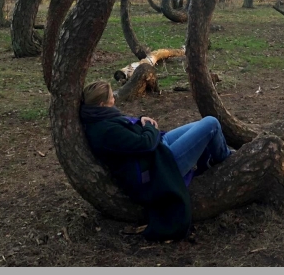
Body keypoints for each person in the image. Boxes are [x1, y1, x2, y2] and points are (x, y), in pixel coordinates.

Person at [80, 79, 233, 240]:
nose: (114, 100)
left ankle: (211, 161)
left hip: (159, 148)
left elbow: (127, 132)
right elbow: (145, 144)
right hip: (161, 166)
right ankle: (226, 159)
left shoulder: (98, 117)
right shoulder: (104, 131)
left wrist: (140, 120)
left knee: (201, 125)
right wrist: (150, 128)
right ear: (102, 104)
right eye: (112, 97)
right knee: (211, 123)